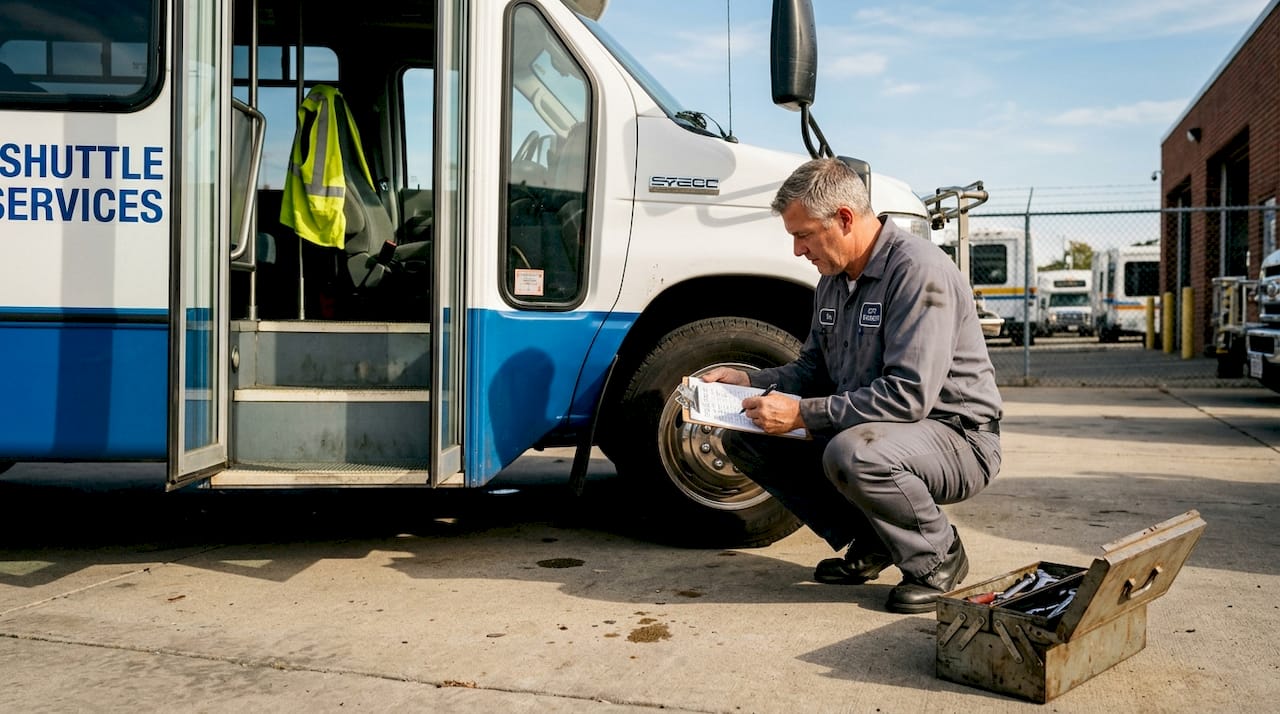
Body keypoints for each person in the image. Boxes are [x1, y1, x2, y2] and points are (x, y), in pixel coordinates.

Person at [701, 157, 1002, 614]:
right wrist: (749, 381)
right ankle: (875, 539)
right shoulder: (833, 282)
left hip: (957, 438)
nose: (798, 251)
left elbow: (908, 396)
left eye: (802, 235)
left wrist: (802, 414)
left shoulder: (917, 272)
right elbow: (811, 370)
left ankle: (937, 556)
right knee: (747, 438)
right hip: (883, 430)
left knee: (852, 452)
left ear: (843, 218)